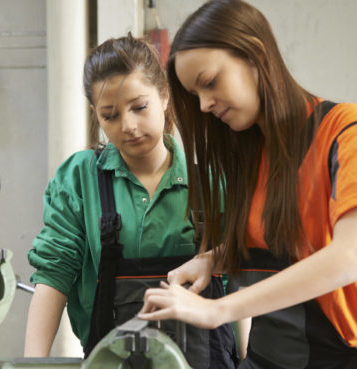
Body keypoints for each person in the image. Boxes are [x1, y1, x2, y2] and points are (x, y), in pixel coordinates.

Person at [138, 0, 357, 368]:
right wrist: (215, 258)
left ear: (255, 55)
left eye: (209, 83)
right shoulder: (253, 155)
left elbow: (348, 257)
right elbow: (282, 245)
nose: (205, 105)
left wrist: (217, 310)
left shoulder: (344, 131)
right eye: (195, 96)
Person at [25, 33, 237, 368]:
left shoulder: (211, 180)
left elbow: (242, 268)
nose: (129, 126)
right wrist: (31, 363)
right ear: (96, 113)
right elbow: (54, 273)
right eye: (110, 115)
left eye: (139, 107)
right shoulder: (79, 180)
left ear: (164, 96)